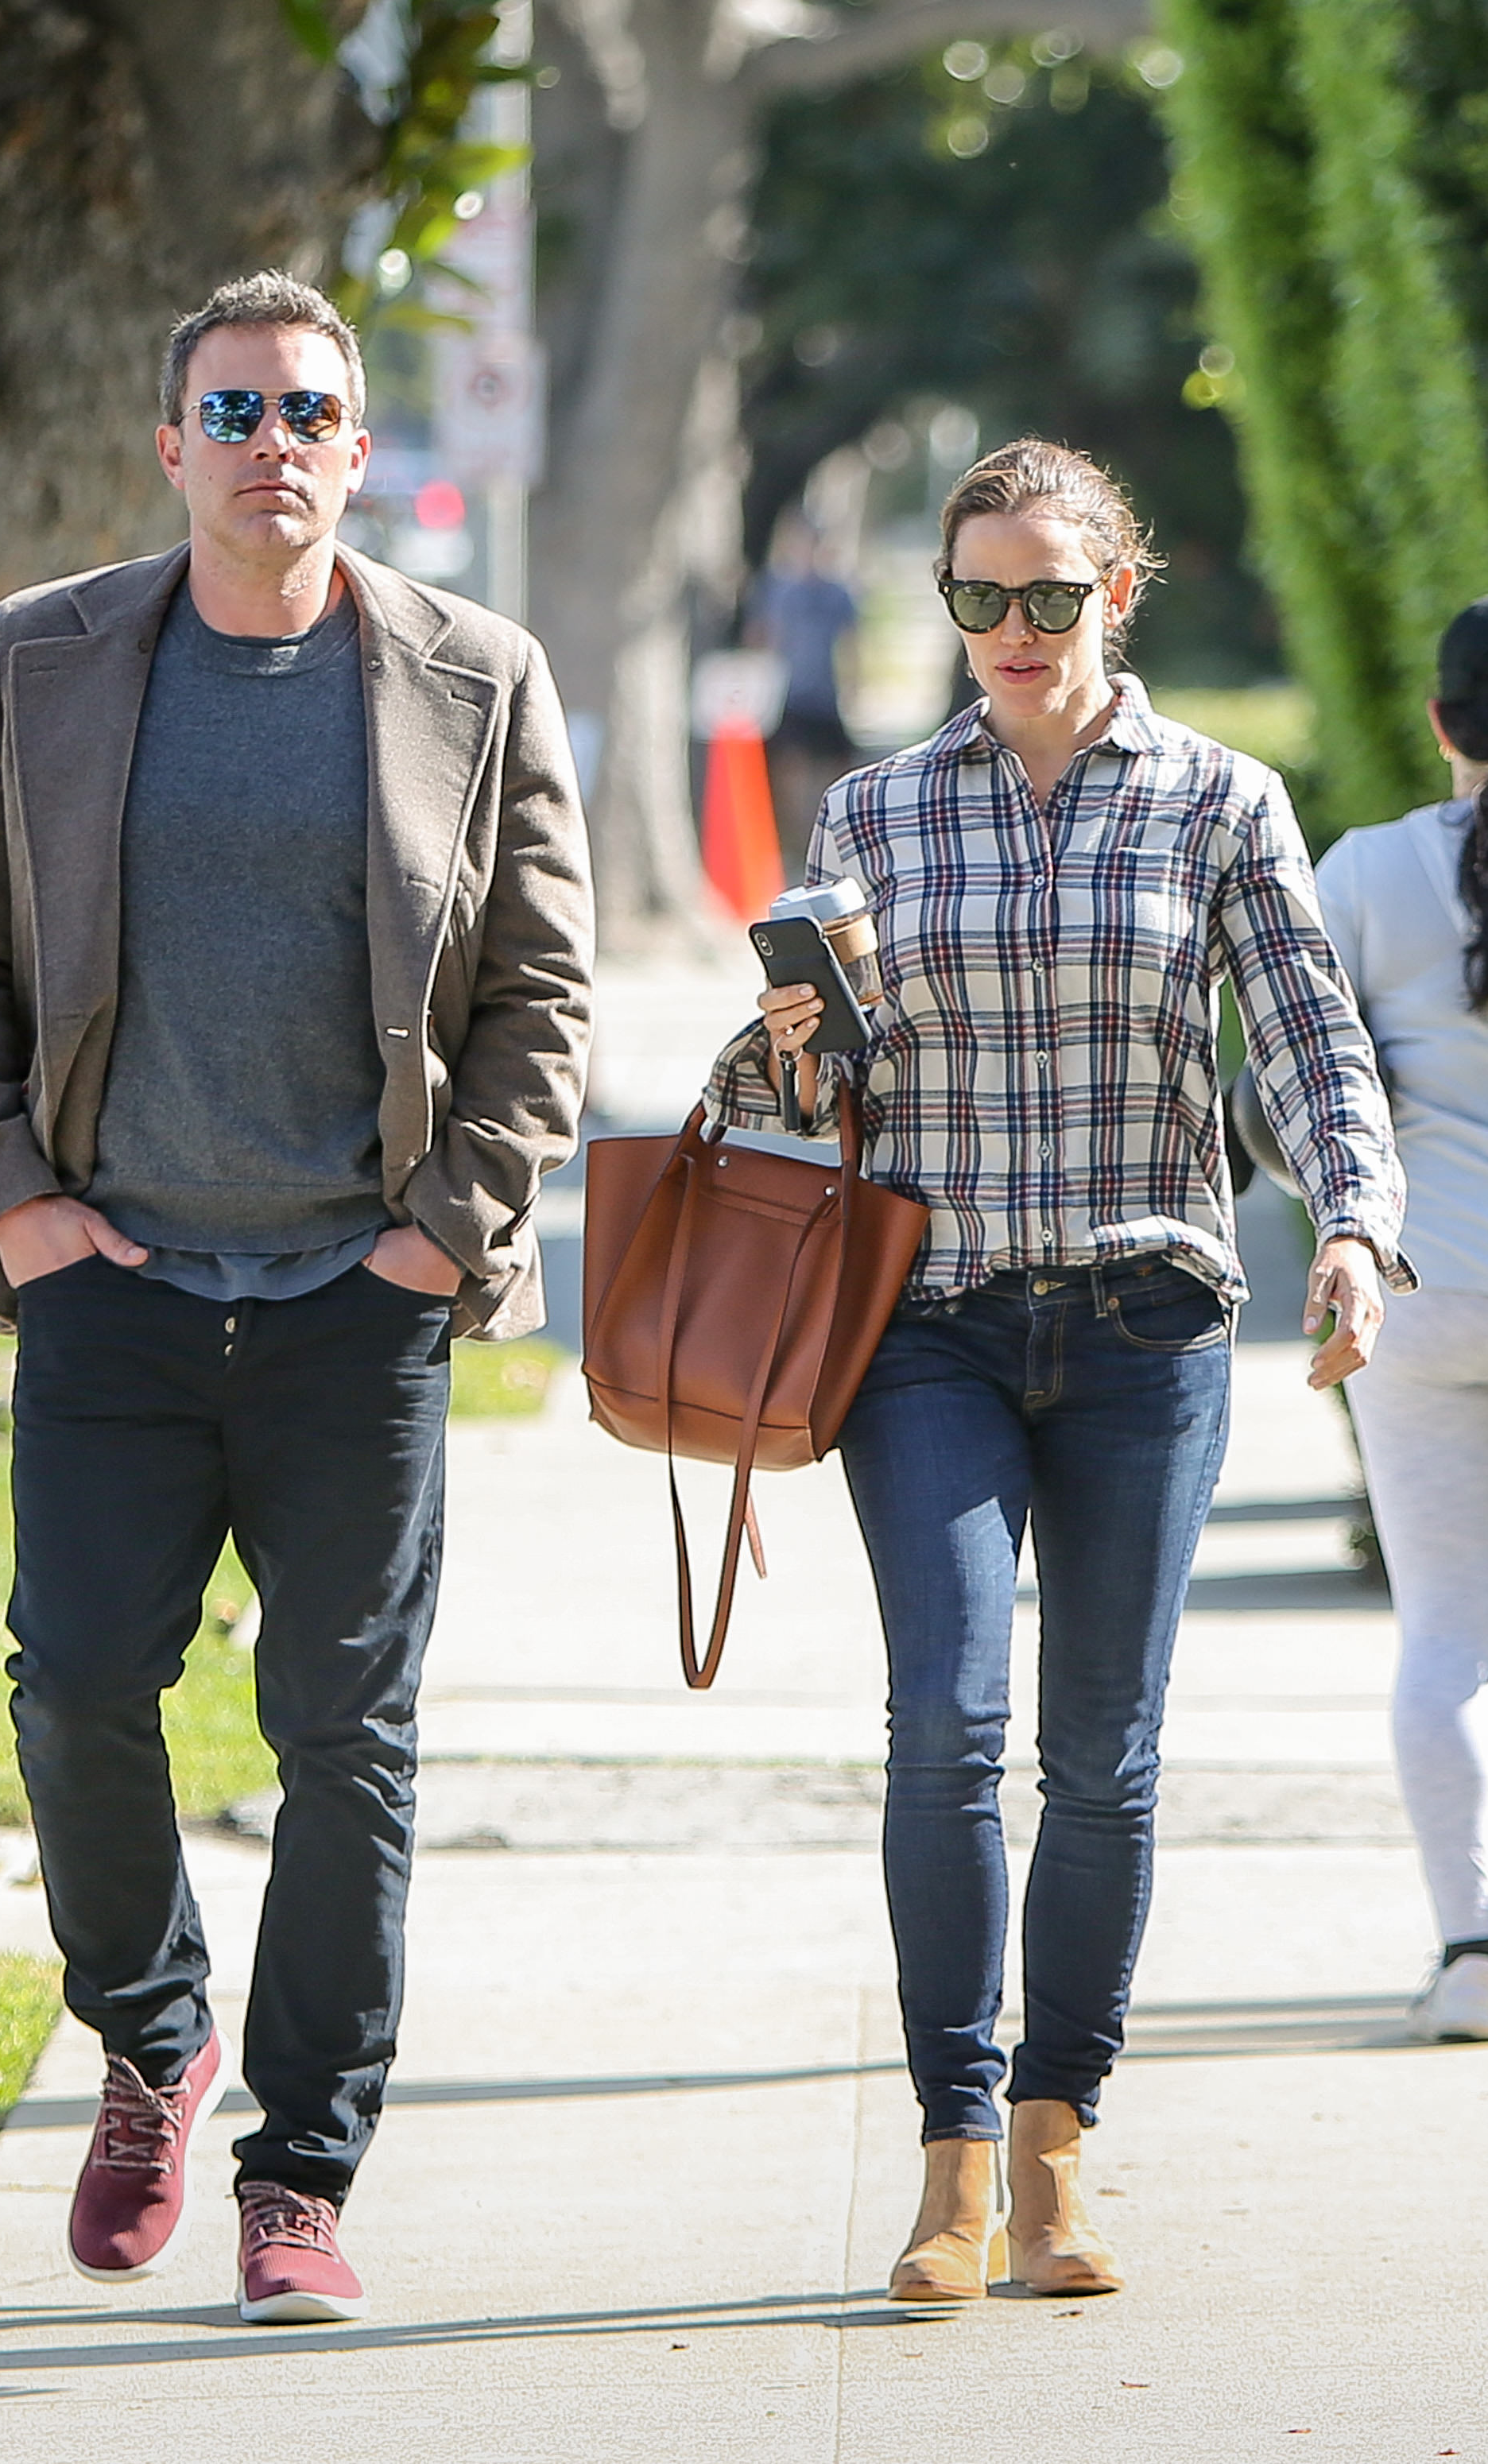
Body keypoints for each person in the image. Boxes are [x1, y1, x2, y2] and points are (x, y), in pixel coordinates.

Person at [0, 271, 592, 2323]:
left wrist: (438, 1234)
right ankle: (149, 2029)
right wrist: (8, 1205)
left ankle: (298, 2169)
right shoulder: (39, 661)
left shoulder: (476, 673)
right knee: (76, 1684)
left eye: (309, 410)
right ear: (171, 444)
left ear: (360, 452)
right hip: (105, 1281)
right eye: (234, 407)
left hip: (352, 1299)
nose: (272, 440)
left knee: (340, 1732)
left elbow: (539, 991)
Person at [707, 439, 1409, 2303]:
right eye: (974, 598)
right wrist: (784, 1041)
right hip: (924, 1325)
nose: (1010, 632)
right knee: (943, 1719)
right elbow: (799, 1096)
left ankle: (1054, 2151)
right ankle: (946, 2160)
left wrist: (1348, 1215)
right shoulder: (875, 809)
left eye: (1046, 594)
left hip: (1144, 1322)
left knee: (1099, 1753)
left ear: (1118, 591)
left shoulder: (1216, 801)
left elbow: (1312, 1042)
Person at [1315, 601, 1488, 2044]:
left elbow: (1300, 1083)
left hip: (1419, 1294)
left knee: (1441, 1634)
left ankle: (1470, 1954)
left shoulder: (1364, 873)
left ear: (1442, 723)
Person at [750, 514, 862, 879]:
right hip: (788, 695)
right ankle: (796, 846)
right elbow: (762, 636)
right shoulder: (777, 590)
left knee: (835, 772)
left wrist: (853, 687)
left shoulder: (838, 593)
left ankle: (830, 842)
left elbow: (850, 645)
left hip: (826, 694)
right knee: (789, 773)